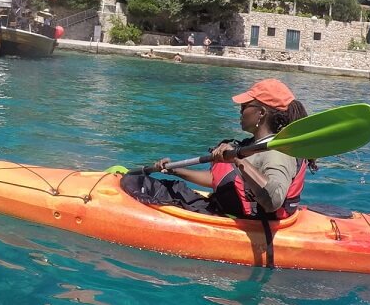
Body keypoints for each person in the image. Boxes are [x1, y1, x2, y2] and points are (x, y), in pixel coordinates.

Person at [126, 79, 314, 220]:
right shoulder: (251, 144)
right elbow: (219, 181)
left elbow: (274, 201)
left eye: (245, 106)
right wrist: (174, 170)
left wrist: (237, 160)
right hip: (224, 209)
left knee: (139, 188)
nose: (240, 110)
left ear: (262, 113)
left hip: (251, 222)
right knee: (147, 182)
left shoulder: (278, 152)